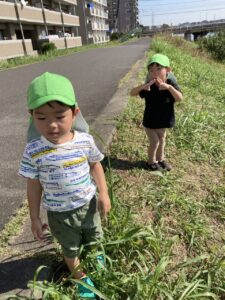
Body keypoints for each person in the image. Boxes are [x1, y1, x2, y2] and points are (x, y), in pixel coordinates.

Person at [18, 72, 111, 299]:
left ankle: (97, 260)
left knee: (95, 237)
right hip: (59, 214)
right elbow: (33, 184)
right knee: (69, 249)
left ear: (74, 112)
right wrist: (34, 217)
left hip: (88, 205)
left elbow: (95, 165)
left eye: (60, 116)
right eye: (41, 118)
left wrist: (104, 193)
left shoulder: (83, 140)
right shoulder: (34, 149)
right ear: (32, 116)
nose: (52, 125)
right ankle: (81, 279)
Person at [130, 53, 183, 171]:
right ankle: (150, 162)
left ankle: (160, 159)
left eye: (159, 69)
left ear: (168, 70)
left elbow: (180, 98)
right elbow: (132, 93)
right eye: (151, 70)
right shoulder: (149, 86)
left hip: (163, 120)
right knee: (155, 142)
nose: (155, 73)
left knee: (162, 140)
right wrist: (143, 86)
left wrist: (169, 88)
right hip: (150, 121)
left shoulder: (170, 84)